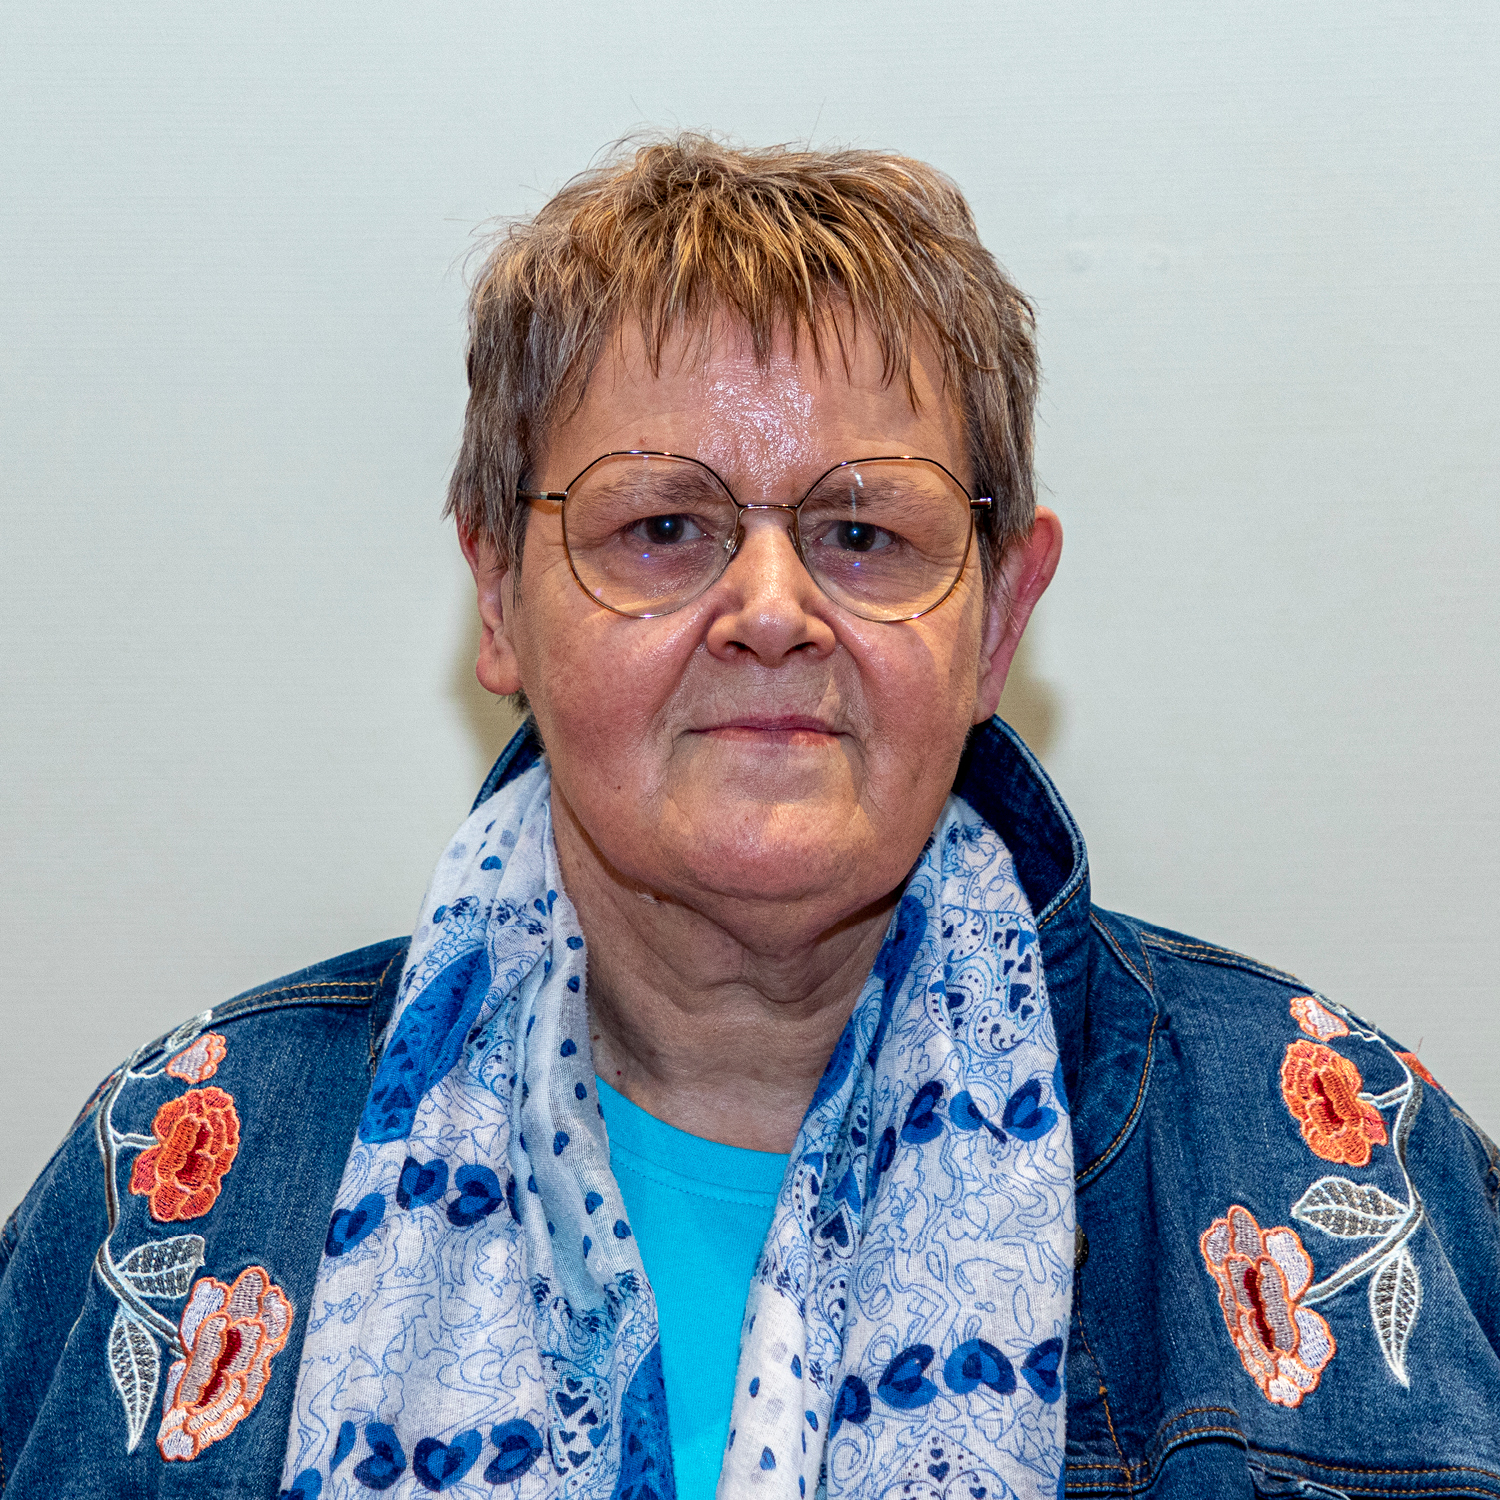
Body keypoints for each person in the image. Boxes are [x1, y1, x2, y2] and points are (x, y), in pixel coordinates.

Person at [1, 135, 1496, 1500]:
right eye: (661, 527)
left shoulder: (1341, 1165)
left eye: (862, 531)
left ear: (999, 617)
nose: (770, 612)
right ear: (497, 595)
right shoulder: (178, 1186)